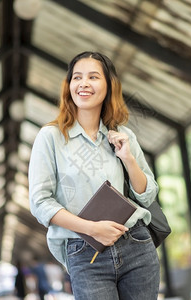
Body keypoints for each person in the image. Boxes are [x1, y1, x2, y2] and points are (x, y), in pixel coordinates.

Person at [29, 51, 160, 299]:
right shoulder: (51, 137)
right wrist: (90, 229)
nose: (84, 83)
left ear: (108, 85)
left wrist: (128, 159)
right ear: (69, 87)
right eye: (77, 77)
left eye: (93, 77)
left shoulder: (124, 135)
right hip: (85, 252)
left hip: (136, 244)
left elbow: (147, 195)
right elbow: (40, 202)